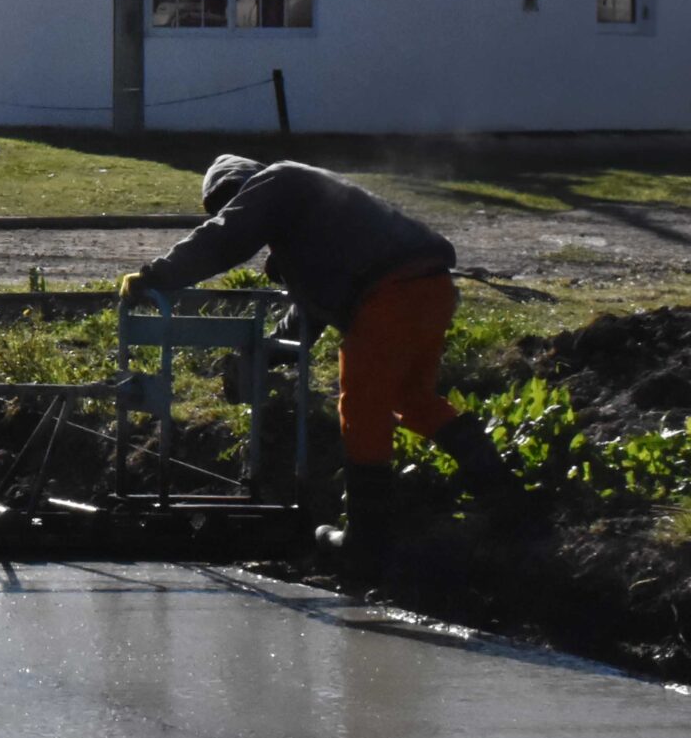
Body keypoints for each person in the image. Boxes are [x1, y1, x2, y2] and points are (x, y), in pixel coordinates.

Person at [123, 154, 515, 577]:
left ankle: (367, 542)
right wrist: (264, 357)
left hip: (389, 292)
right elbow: (308, 316)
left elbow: (224, 239)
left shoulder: (277, 182)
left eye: (230, 203)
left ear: (243, 188)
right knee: (413, 399)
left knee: (362, 411)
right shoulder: (311, 223)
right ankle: (506, 497)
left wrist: (155, 276)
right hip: (429, 288)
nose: (233, 212)